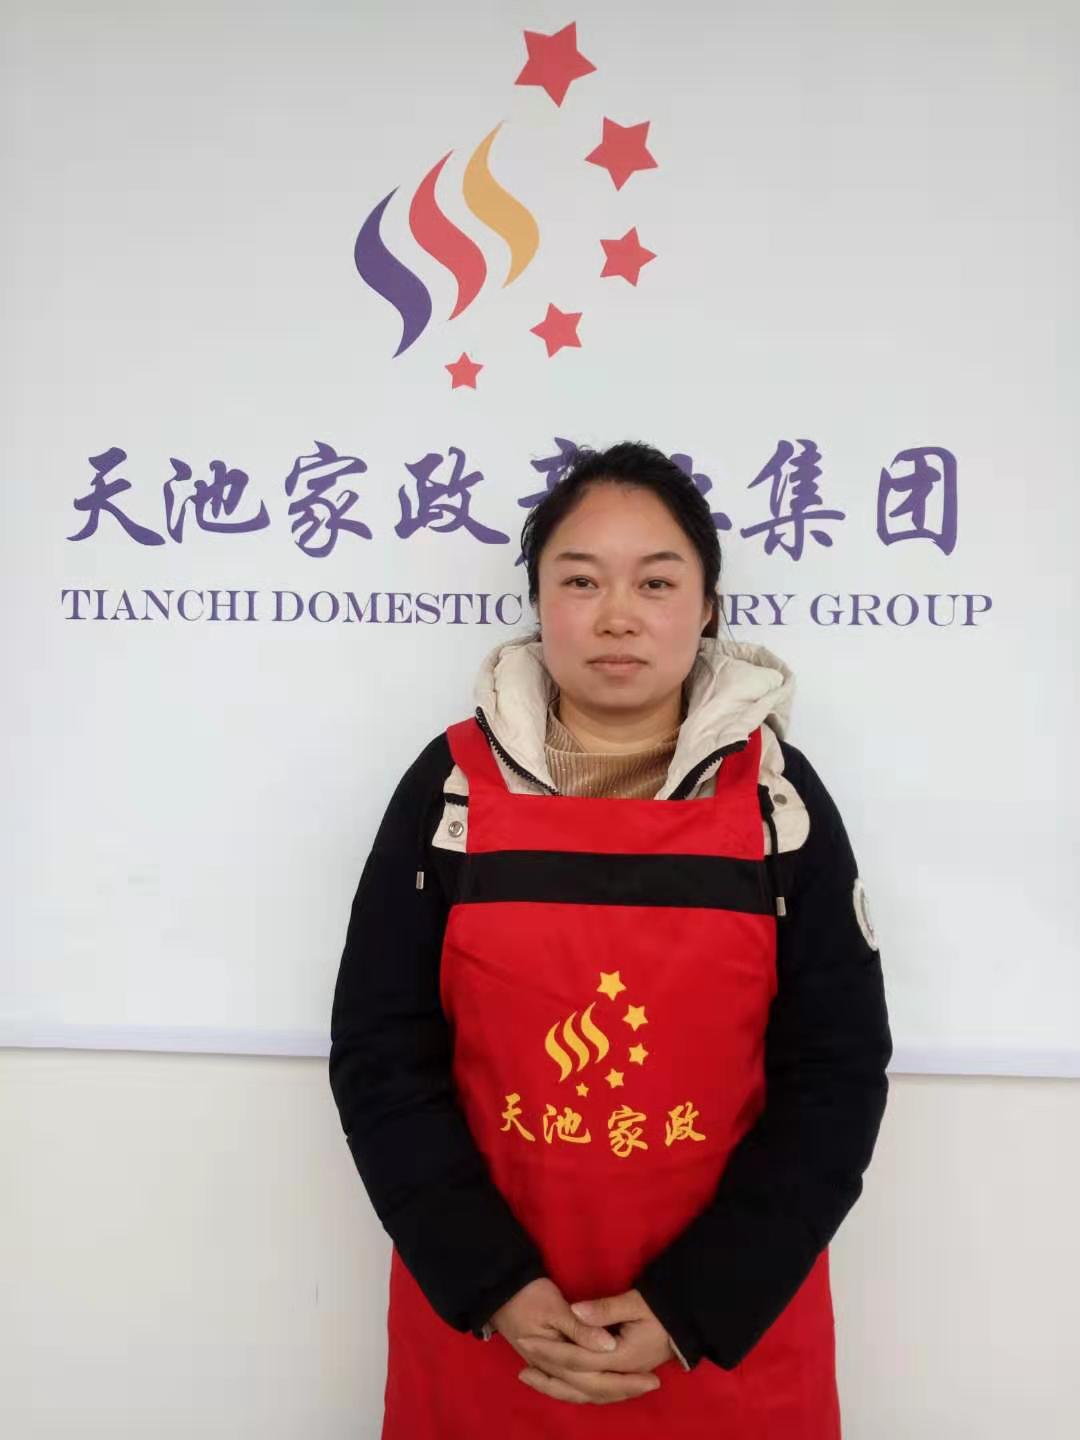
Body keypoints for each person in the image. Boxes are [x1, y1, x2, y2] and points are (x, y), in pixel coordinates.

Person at [329, 441, 892, 1438]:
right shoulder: (448, 792)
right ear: (538, 602)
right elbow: (381, 1056)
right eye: (581, 580)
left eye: (656, 582)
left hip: (723, 1337)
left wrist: (694, 1307)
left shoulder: (778, 801)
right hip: (493, 1332)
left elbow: (836, 1076)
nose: (617, 615)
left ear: (707, 607)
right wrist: (492, 1282)